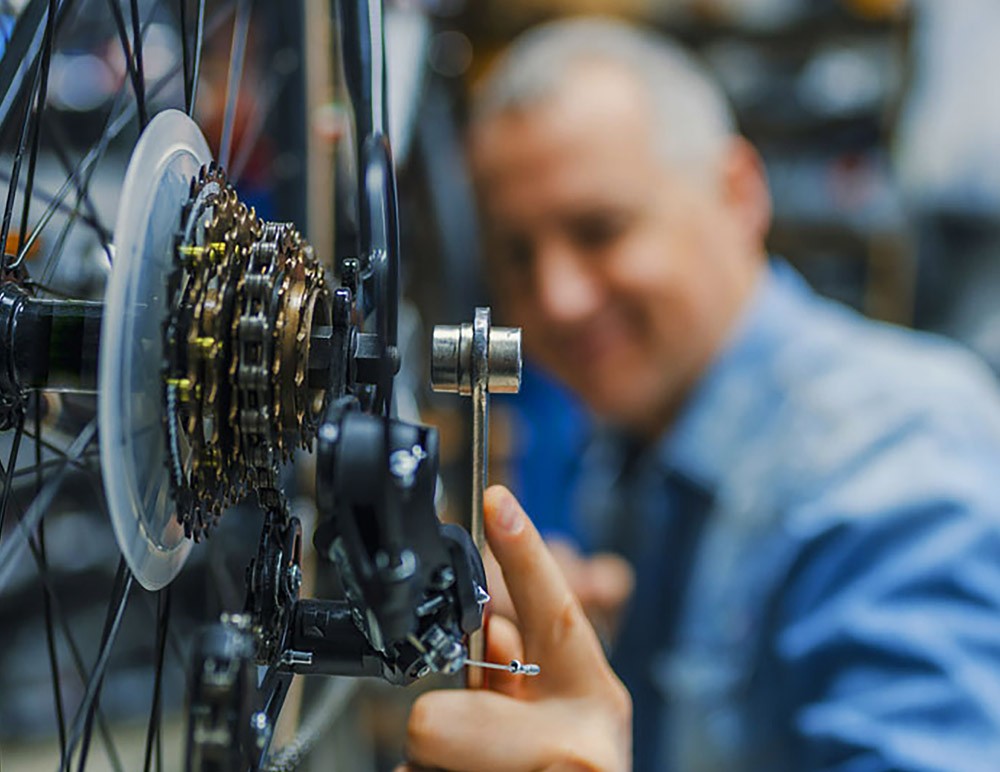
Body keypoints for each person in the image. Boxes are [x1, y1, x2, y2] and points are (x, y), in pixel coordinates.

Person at [405, 17, 1000, 772]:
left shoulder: (898, 457)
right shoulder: (632, 441)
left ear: (739, 192)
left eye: (600, 230)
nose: (554, 298)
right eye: (516, 253)